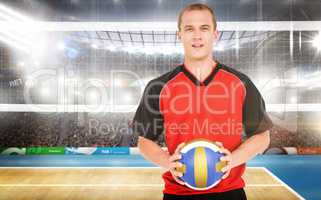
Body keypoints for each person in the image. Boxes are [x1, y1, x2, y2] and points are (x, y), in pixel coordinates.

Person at [133, 3, 273, 200]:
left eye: (204, 28)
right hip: (178, 193)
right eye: (189, 29)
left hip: (229, 193)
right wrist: (167, 161)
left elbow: (262, 137)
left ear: (215, 34)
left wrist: (231, 160)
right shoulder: (158, 87)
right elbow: (144, 141)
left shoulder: (240, 83)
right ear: (179, 34)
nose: (197, 36)